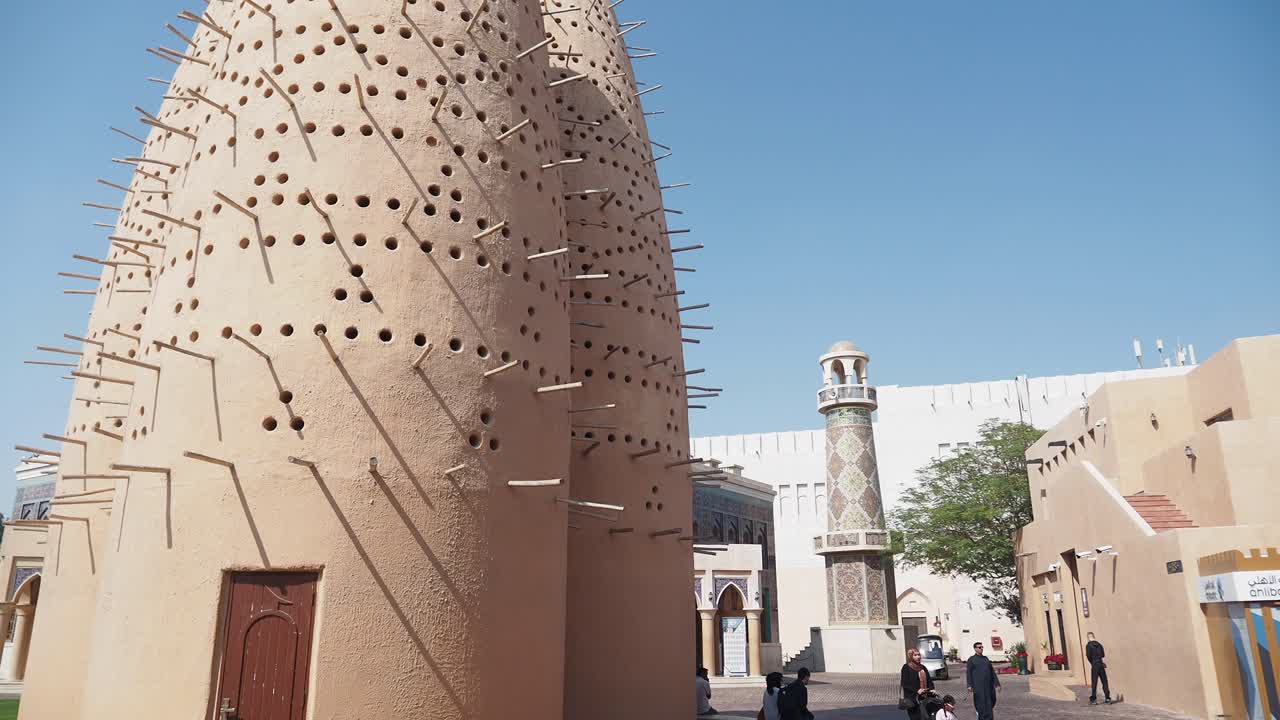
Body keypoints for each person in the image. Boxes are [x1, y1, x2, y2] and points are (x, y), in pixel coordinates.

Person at [965, 641, 1000, 720]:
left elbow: (992, 672)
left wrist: (997, 684)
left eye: (982, 647)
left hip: (988, 686)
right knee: (981, 704)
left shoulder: (986, 659)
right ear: (975, 649)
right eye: (979, 647)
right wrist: (969, 685)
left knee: (990, 703)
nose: (981, 649)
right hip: (978, 687)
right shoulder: (971, 660)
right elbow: (968, 673)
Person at [901, 648, 939, 720]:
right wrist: (917, 690)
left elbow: (929, 680)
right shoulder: (906, 668)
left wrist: (932, 689)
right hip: (912, 699)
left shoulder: (923, 667)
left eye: (919, 655)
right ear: (910, 656)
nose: (918, 657)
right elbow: (905, 684)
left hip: (925, 699)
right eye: (915, 655)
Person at [1086, 632, 1112, 705]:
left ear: (1088, 637)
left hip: (1095, 664)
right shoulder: (1099, 645)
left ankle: (1093, 699)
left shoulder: (1088, 645)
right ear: (1094, 636)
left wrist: (1092, 662)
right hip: (1100, 663)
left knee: (1094, 682)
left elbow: (1088, 656)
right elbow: (1103, 655)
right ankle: (1107, 698)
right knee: (1104, 681)